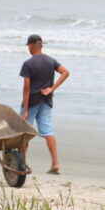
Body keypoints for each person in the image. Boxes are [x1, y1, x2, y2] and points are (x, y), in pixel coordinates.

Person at [19, 35, 70, 175]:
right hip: (46, 101)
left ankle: (21, 163)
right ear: (41, 45)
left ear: (31, 45)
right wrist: (52, 89)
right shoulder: (50, 60)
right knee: (47, 132)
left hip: (32, 101)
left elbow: (27, 88)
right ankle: (55, 163)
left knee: (24, 133)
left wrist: (25, 109)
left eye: (28, 45)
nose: (28, 48)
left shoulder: (28, 63)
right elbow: (66, 72)